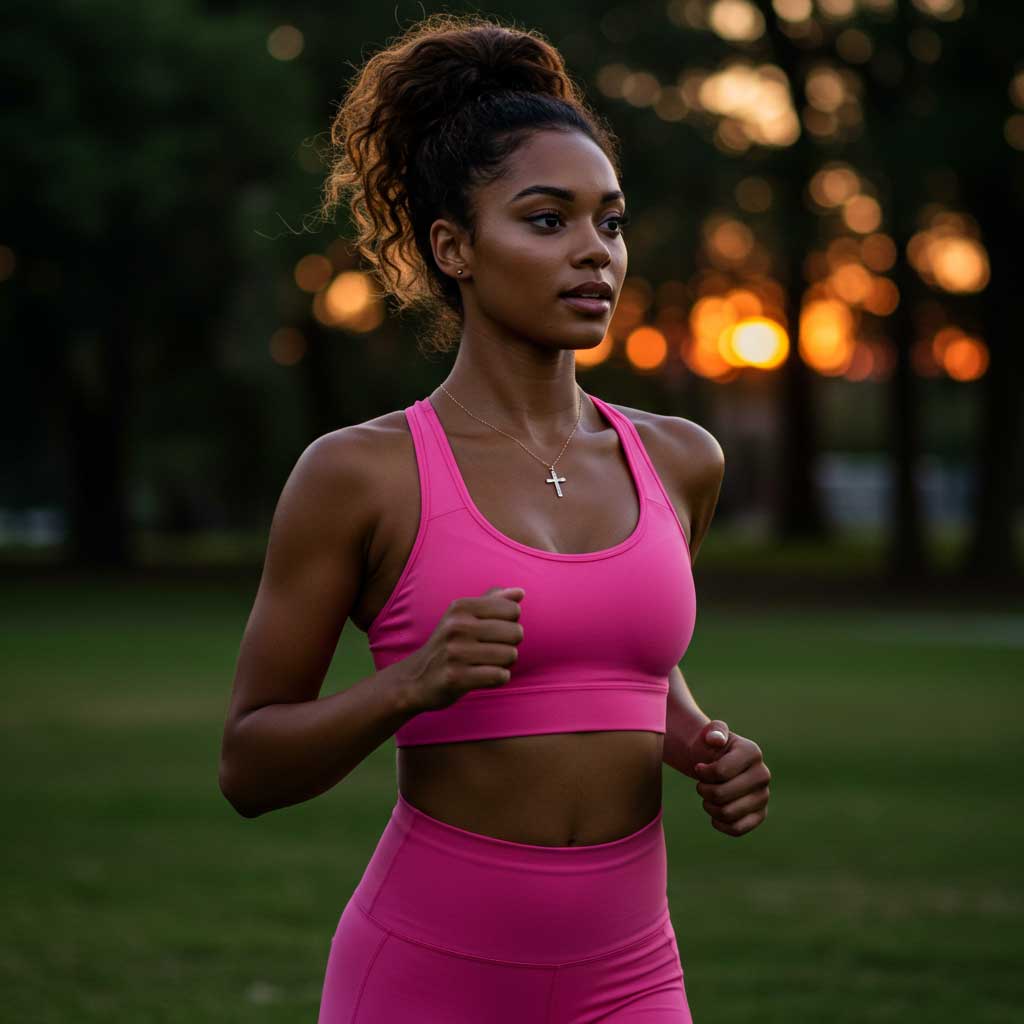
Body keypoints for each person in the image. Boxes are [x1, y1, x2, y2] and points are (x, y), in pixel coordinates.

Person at [218, 12, 771, 1023]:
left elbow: (625, 663)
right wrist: (408, 686)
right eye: (546, 219)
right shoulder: (360, 474)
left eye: (609, 219)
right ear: (453, 246)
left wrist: (702, 743)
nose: (594, 252)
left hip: (631, 975)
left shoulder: (681, 458)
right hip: (426, 972)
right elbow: (248, 765)